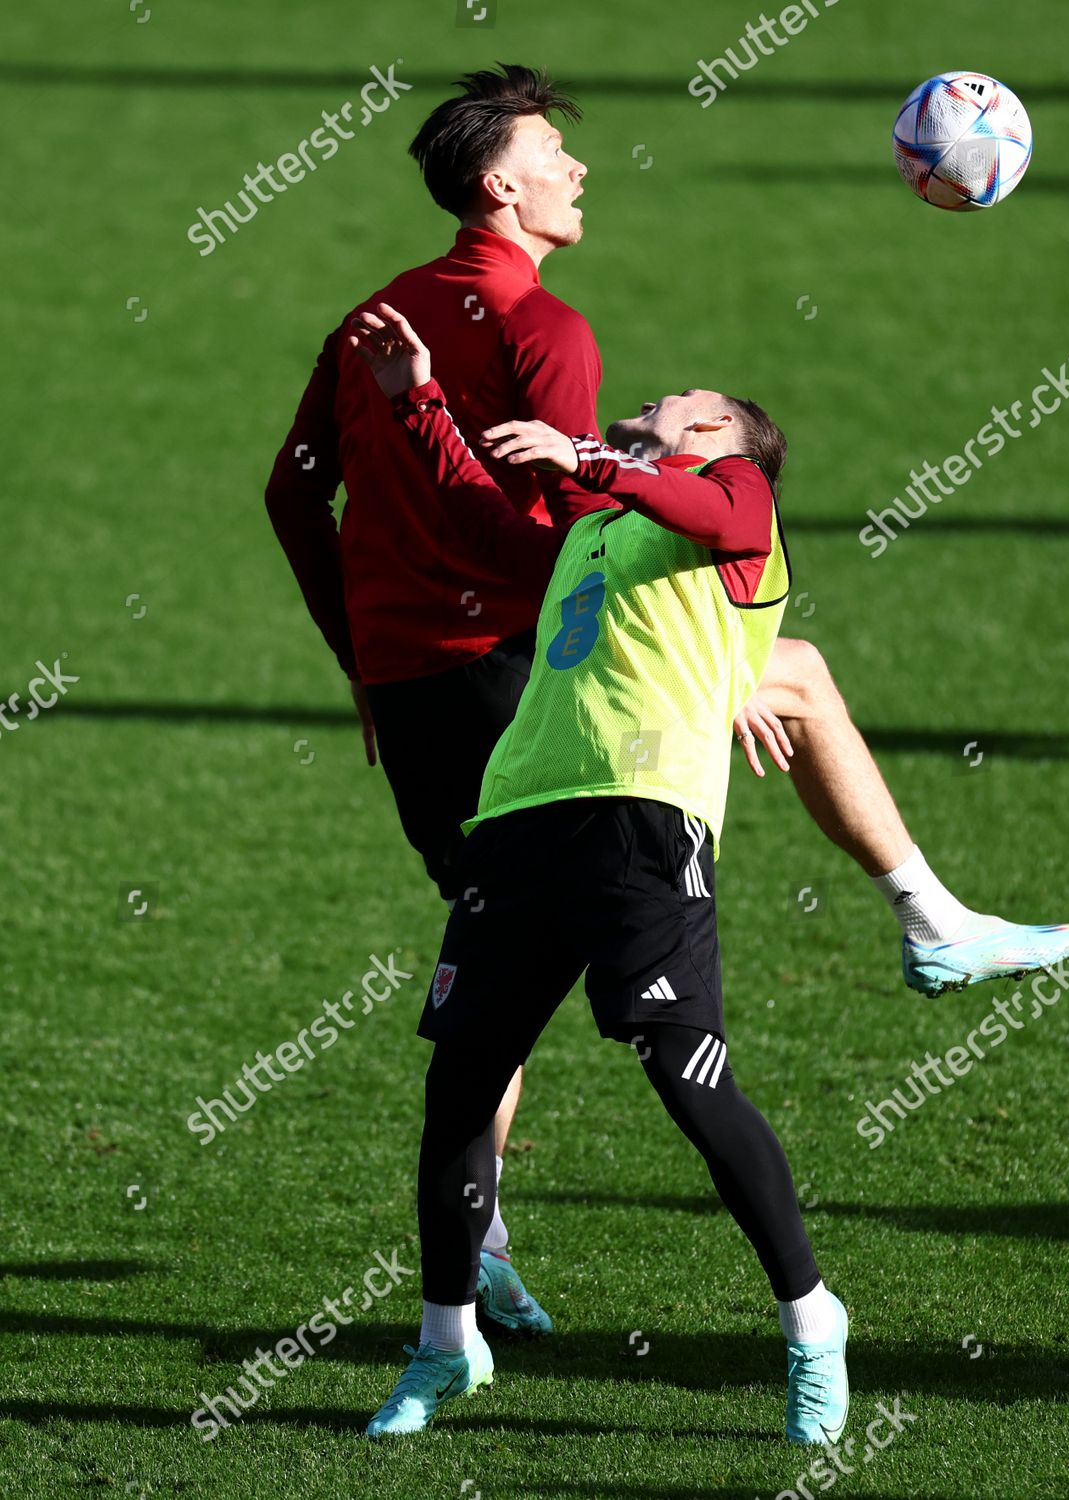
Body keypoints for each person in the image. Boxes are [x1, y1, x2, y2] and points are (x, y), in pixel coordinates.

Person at [264, 64, 1069, 1335]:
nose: (580, 169)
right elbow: (554, 541)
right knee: (790, 686)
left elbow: (292, 495)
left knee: (490, 988)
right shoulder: (548, 331)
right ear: (503, 186)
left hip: (413, 688)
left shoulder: (374, 317)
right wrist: (671, 661)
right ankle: (926, 926)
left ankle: (470, 1266)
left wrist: (357, 661)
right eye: (556, 153)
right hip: (525, 681)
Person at [347, 303, 849, 1445]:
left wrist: (585, 455)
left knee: (685, 1078)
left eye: (681, 398)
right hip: (521, 815)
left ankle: (811, 1323)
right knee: (459, 1090)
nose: (653, 398)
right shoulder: (597, 522)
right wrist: (416, 400)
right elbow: (480, 520)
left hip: (642, 821)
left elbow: (684, 496)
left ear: (718, 435)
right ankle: (445, 1344)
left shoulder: (736, 509)